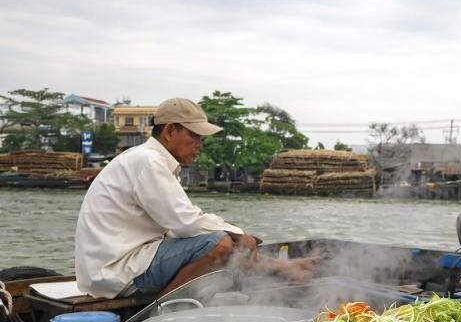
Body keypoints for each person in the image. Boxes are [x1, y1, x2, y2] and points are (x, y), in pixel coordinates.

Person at [75, 98, 318, 299]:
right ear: (170, 131)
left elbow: (181, 225)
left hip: (116, 265)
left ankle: (283, 267)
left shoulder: (148, 161)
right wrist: (237, 233)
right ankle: (159, 312)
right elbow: (186, 223)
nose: (199, 144)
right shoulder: (148, 161)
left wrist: (236, 235)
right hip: (115, 270)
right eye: (194, 136)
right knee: (218, 244)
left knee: (223, 241)